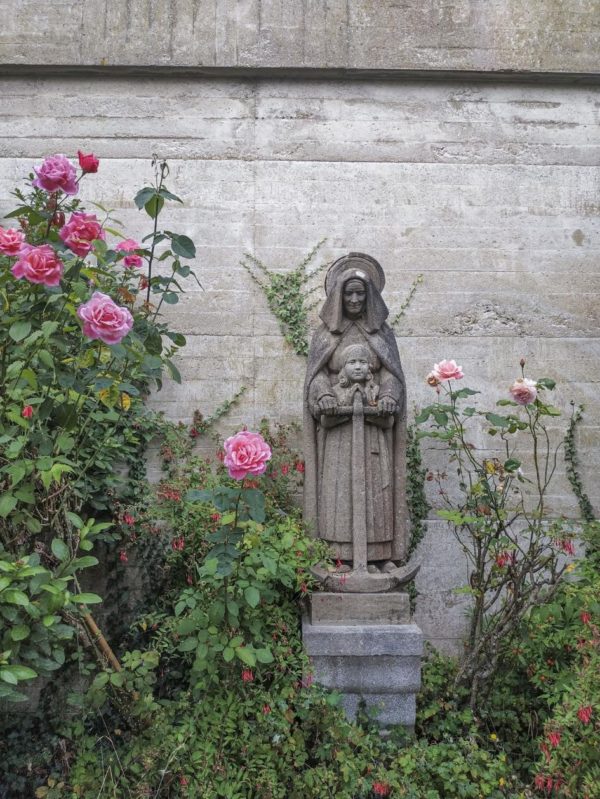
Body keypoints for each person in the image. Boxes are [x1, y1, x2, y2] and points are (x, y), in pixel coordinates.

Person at [303, 253, 408, 569]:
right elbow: (317, 374)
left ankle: (378, 556)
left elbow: (392, 373)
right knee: (338, 490)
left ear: (370, 295)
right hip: (339, 428)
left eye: (360, 293)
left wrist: (389, 394)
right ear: (337, 294)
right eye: (347, 293)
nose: (353, 298)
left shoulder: (381, 333)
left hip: (374, 426)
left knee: (377, 490)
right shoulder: (326, 334)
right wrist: (322, 395)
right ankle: (339, 555)